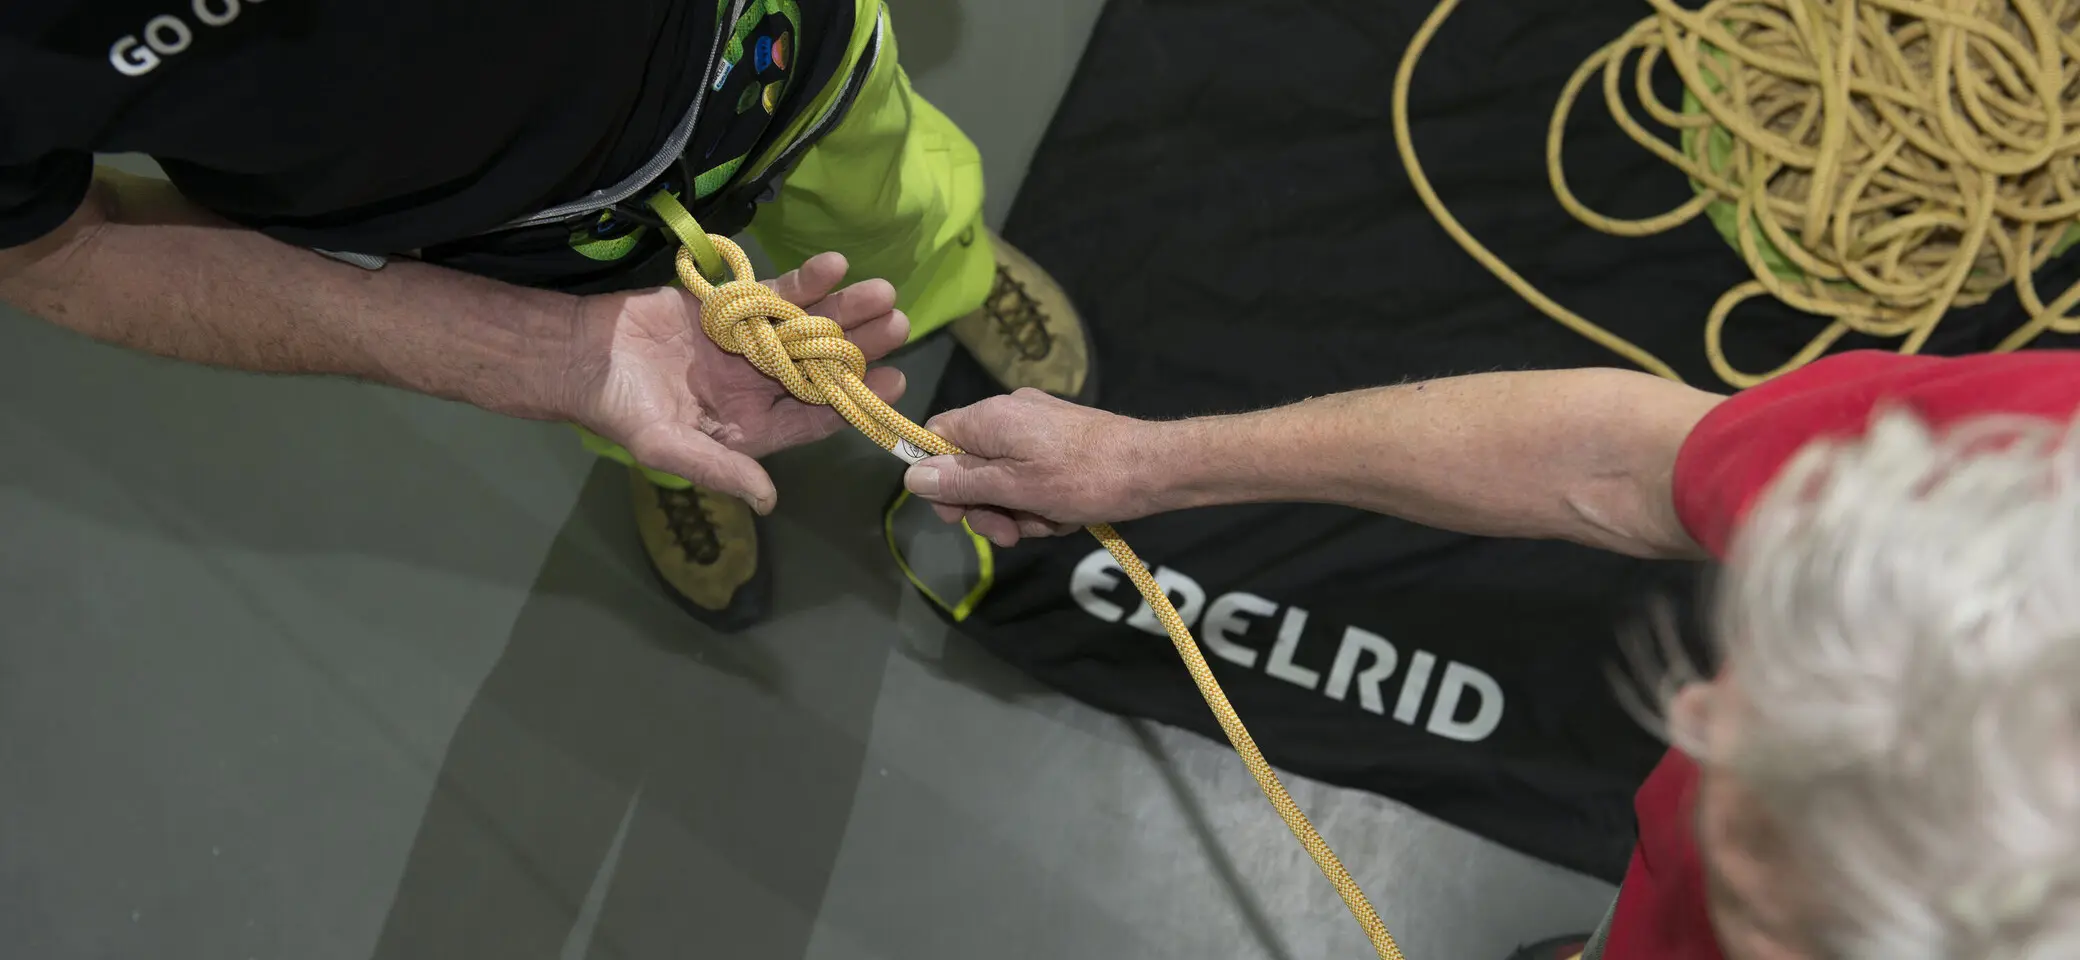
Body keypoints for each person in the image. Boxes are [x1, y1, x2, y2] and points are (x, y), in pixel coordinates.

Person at [903, 351, 2080, 959]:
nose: (1702, 726)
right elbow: (1622, 461)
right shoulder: (2020, 459)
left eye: (1779, 903)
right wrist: (1148, 467)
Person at [0, 0, 1093, 631]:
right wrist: (547, 356)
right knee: (663, 391)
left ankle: (952, 272)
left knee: (897, 207)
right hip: (511, 248)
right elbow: (56, 245)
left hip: (767, 42)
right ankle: (673, 464)